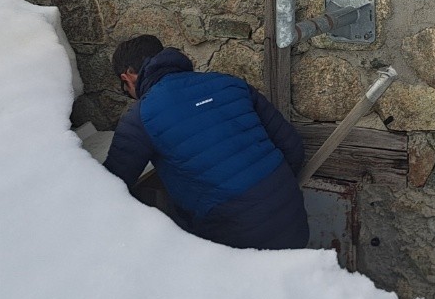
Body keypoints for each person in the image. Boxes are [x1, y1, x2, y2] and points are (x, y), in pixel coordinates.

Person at [103, 34, 309, 250]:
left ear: (127, 77)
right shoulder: (229, 83)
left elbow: (108, 187)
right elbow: (292, 147)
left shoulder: (140, 116)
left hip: (233, 238)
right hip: (291, 218)